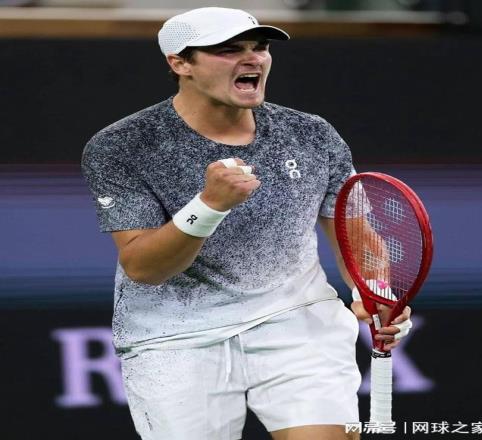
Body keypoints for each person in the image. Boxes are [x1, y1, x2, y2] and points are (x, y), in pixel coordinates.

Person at [81, 7, 412, 440]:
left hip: (298, 322)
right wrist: (209, 206)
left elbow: (356, 238)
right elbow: (145, 267)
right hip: (175, 337)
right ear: (180, 63)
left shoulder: (312, 134)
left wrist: (376, 291)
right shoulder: (122, 146)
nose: (253, 58)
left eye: (260, 47)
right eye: (229, 50)